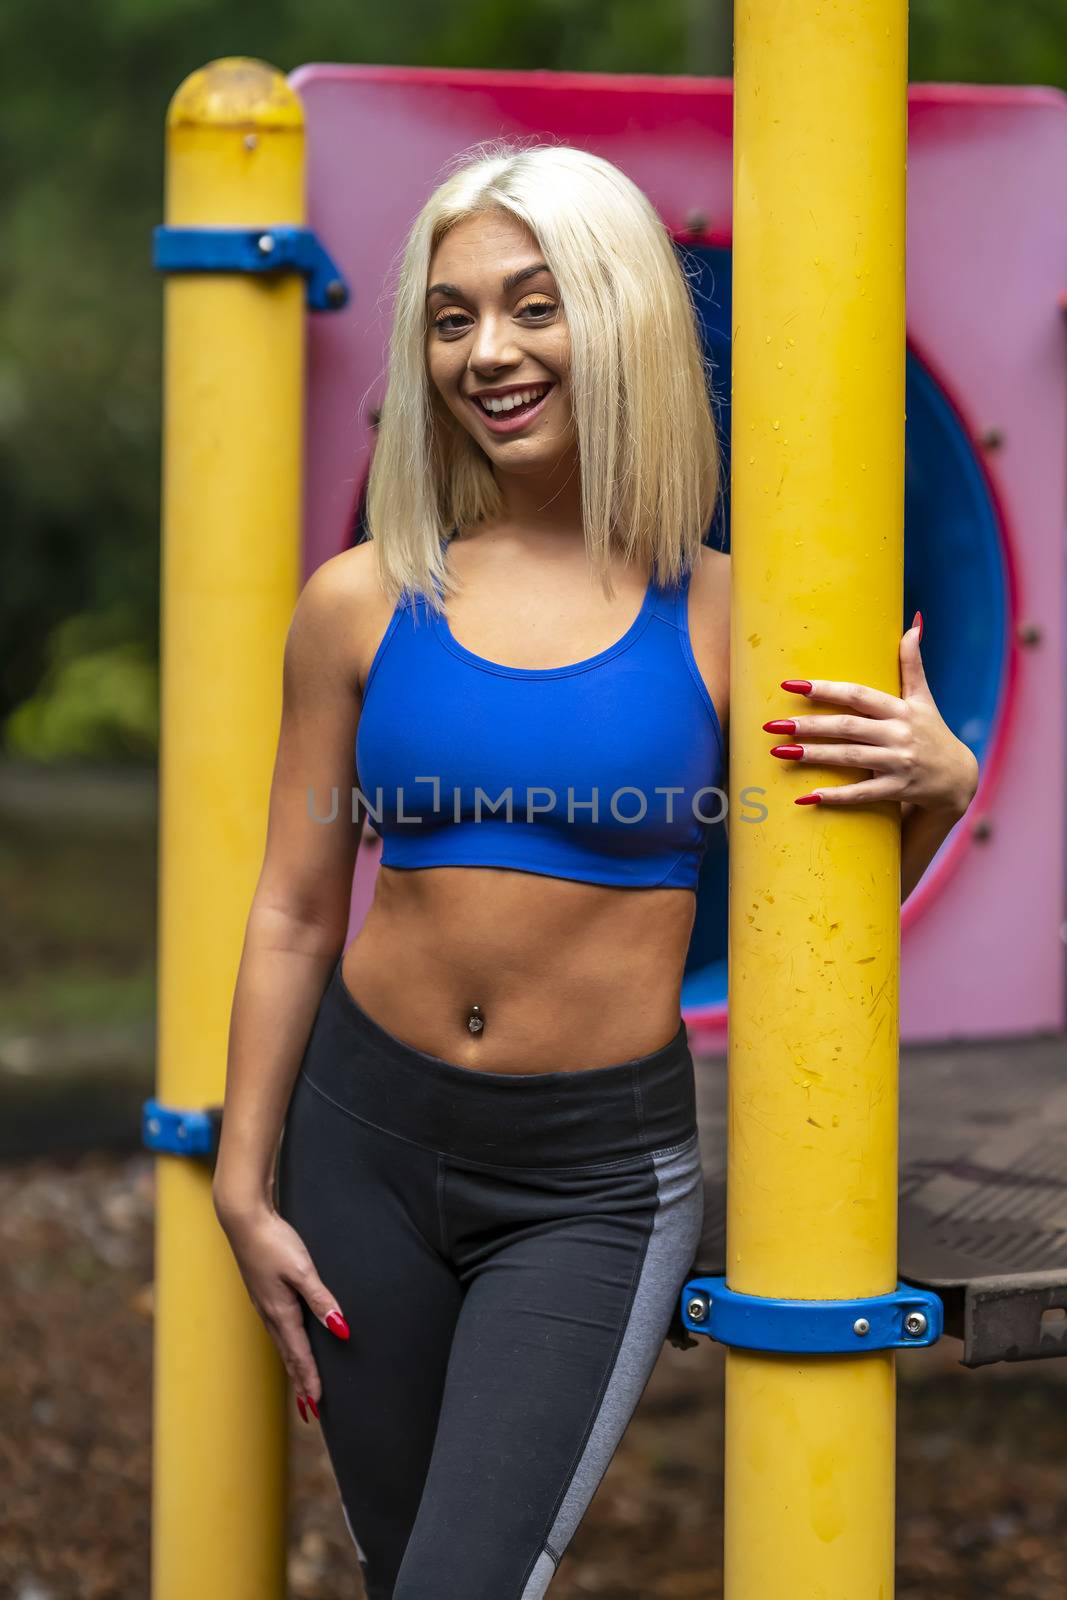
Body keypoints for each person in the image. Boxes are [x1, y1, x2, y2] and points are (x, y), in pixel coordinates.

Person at [211, 141, 979, 1599]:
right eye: (452, 317)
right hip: (358, 1135)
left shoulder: (738, 617)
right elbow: (296, 908)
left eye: (533, 304)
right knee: (401, 1574)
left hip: (590, 1184)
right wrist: (245, 1181)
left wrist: (938, 796)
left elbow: (817, 933)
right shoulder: (363, 600)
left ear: (621, 313)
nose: (487, 352)